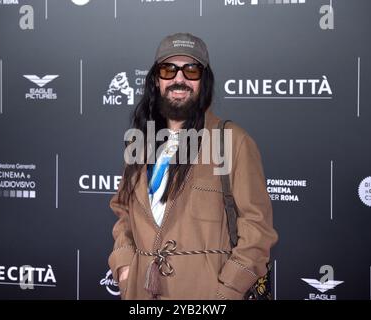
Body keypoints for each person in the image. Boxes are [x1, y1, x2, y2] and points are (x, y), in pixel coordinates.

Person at [108, 32, 278, 300]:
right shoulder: (141, 142)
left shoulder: (233, 142)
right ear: (156, 80)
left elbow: (257, 230)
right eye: (168, 69)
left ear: (204, 80)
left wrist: (226, 292)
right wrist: (125, 266)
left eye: (191, 70)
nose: (179, 79)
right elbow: (123, 211)